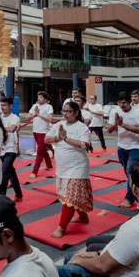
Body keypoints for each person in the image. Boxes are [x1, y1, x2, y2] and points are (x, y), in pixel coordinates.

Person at [46, 102, 92, 238]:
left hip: (78, 167)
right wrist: (57, 137)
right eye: (64, 111)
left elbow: (85, 145)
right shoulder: (58, 125)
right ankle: (83, 217)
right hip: (62, 167)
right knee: (71, 196)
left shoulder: (82, 127)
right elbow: (46, 139)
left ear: (76, 113)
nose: (65, 114)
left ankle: (61, 227)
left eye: (69, 111)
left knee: (70, 197)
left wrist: (65, 138)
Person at [108, 91, 139, 209]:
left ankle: (129, 199)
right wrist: (116, 123)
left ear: (130, 101)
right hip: (122, 146)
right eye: (119, 103)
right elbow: (109, 130)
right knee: (129, 173)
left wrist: (123, 125)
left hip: (137, 146)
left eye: (124, 102)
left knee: (131, 172)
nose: (122, 105)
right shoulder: (115, 112)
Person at [0, 97, 22, 201]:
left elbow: (12, 129)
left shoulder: (14, 117)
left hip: (11, 148)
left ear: (10, 106)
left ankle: (1, 196)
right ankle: (19, 194)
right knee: (10, 172)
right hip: (1, 148)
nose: (2, 107)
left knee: (4, 172)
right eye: (1, 105)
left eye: (4, 105)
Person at [28, 91, 54, 179]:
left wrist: (39, 115)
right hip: (35, 131)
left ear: (45, 99)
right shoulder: (34, 106)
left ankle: (34, 171)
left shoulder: (49, 107)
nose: (39, 99)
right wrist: (34, 115)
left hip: (44, 132)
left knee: (39, 152)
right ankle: (49, 165)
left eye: (41, 97)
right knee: (42, 150)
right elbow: (28, 117)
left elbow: (50, 118)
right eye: (38, 97)